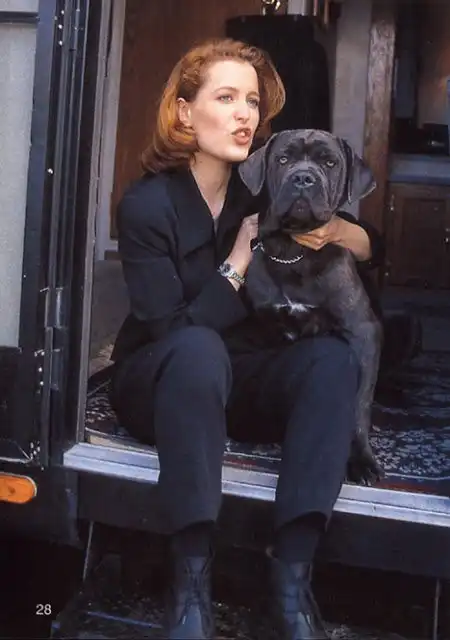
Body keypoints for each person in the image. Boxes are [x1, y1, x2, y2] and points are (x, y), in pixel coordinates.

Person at [109, 38, 384, 640]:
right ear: (185, 112)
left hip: (237, 379)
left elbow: (364, 242)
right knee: (198, 348)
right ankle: (190, 581)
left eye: (253, 102)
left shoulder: (261, 187)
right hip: (160, 382)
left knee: (332, 359)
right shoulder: (147, 204)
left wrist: (343, 234)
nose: (244, 115)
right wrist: (237, 262)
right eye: (226, 98)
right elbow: (172, 330)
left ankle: (290, 581)